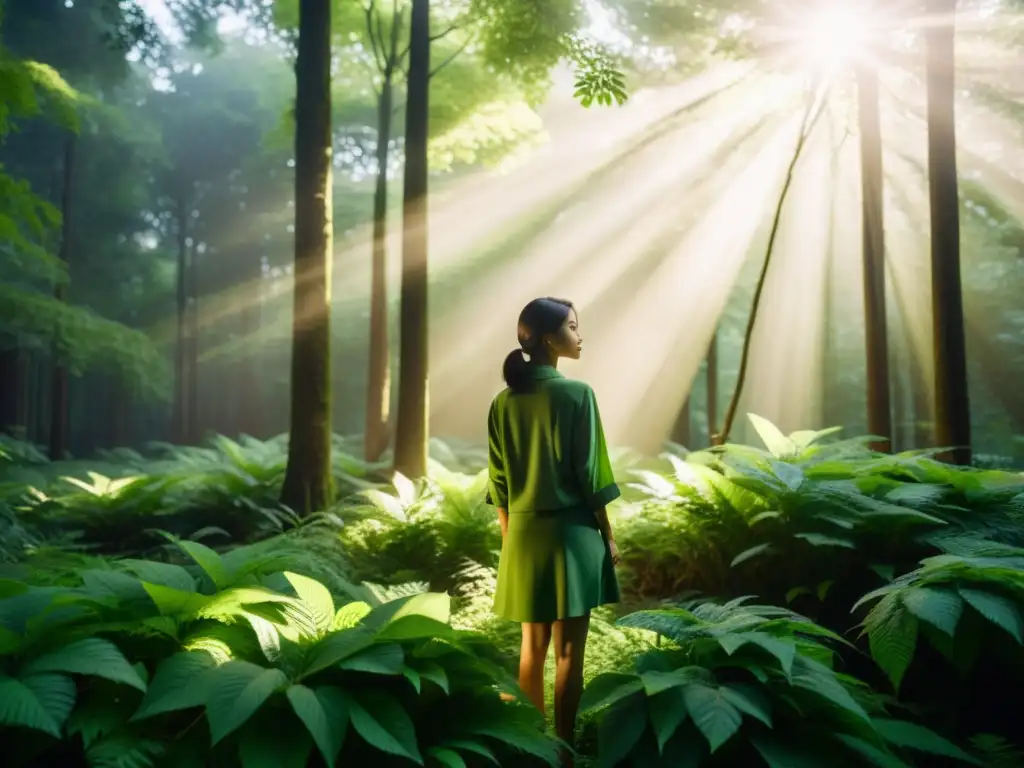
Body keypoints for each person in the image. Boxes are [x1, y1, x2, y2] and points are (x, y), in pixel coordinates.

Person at [485, 296, 621, 767]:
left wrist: (511, 539)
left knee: (531, 648)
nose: (579, 336)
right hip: (572, 537)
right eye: (572, 327)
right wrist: (608, 535)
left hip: (521, 538)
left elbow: (498, 484)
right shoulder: (577, 396)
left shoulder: (502, 403)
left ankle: (530, 749)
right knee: (568, 654)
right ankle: (563, 756)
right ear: (548, 338)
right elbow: (591, 476)